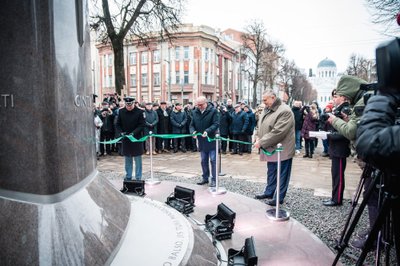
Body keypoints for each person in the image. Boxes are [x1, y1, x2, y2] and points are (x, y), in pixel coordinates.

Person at [254, 89, 295, 206]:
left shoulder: (285, 111)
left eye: (265, 100)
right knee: (271, 171)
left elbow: (278, 132)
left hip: (282, 149)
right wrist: (258, 137)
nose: (263, 102)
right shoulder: (267, 108)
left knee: (282, 174)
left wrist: (261, 142)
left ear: (273, 97)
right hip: (270, 148)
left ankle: (279, 197)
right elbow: (261, 125)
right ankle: (269, 192)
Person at [322, 90, 351, 206]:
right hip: (335, 148)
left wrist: (329, 135)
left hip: (340, 148)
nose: (334, 99)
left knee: (338, 175)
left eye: (336, 96)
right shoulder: (338, 109)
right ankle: (335, 197)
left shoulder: (345, 110)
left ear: (343, 98)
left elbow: (345, 132)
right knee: (335, 174)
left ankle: (337, 199)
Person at [190, 96, 219, 187]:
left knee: (213, 160)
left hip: (211, 140)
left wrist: (207, 131)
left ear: (205, 103)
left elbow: (216, 123)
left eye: (201, 105)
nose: (199, 107)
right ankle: (205, 178)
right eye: (197, 105)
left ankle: (214, 179)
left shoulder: (213, 111)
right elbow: (191, 125)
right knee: (203, 160)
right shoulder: (194, 112)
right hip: (201, 141)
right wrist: (193, 132)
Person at [116, 96, 145, 181]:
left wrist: (133, 133)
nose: (128, 107)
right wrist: (121, 132)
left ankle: (138, 177)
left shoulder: (140, 112)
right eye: (127, 105)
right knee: (128, 159)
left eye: (130, 105)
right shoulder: (121, 111)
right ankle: (128, 176)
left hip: (136, 138)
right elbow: (117, 124)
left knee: (138, 159)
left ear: (133, 103)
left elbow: (142, 125)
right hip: (126, 139)